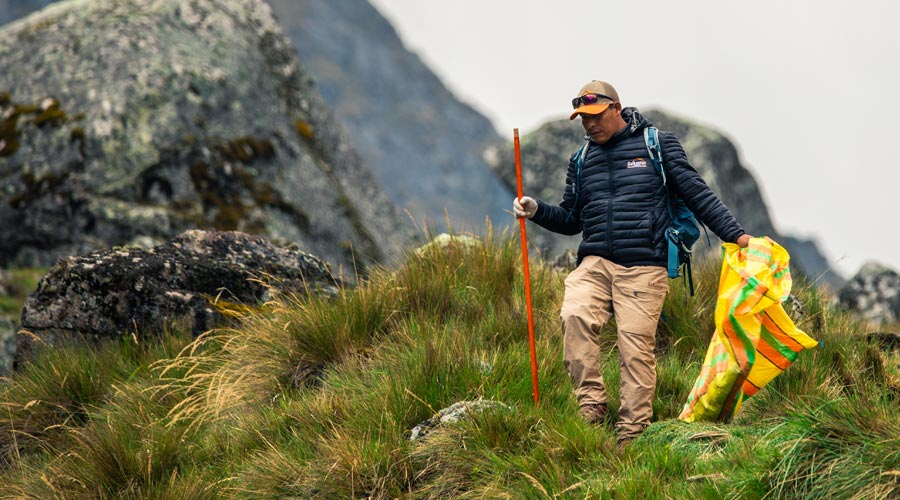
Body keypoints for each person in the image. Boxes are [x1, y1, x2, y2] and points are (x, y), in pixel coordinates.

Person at [513, 80, 752, 447]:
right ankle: (591, 408)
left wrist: (737, 237)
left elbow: (697, 193)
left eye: (595, 116)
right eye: (582, 119)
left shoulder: (657, 144)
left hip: (644, 266)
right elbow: (571, 219)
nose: (589, 125)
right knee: (573, 315)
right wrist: (536, 210)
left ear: (616, 108)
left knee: (634, 349)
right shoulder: (581, 160)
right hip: (594, 263)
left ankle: (632, 433)